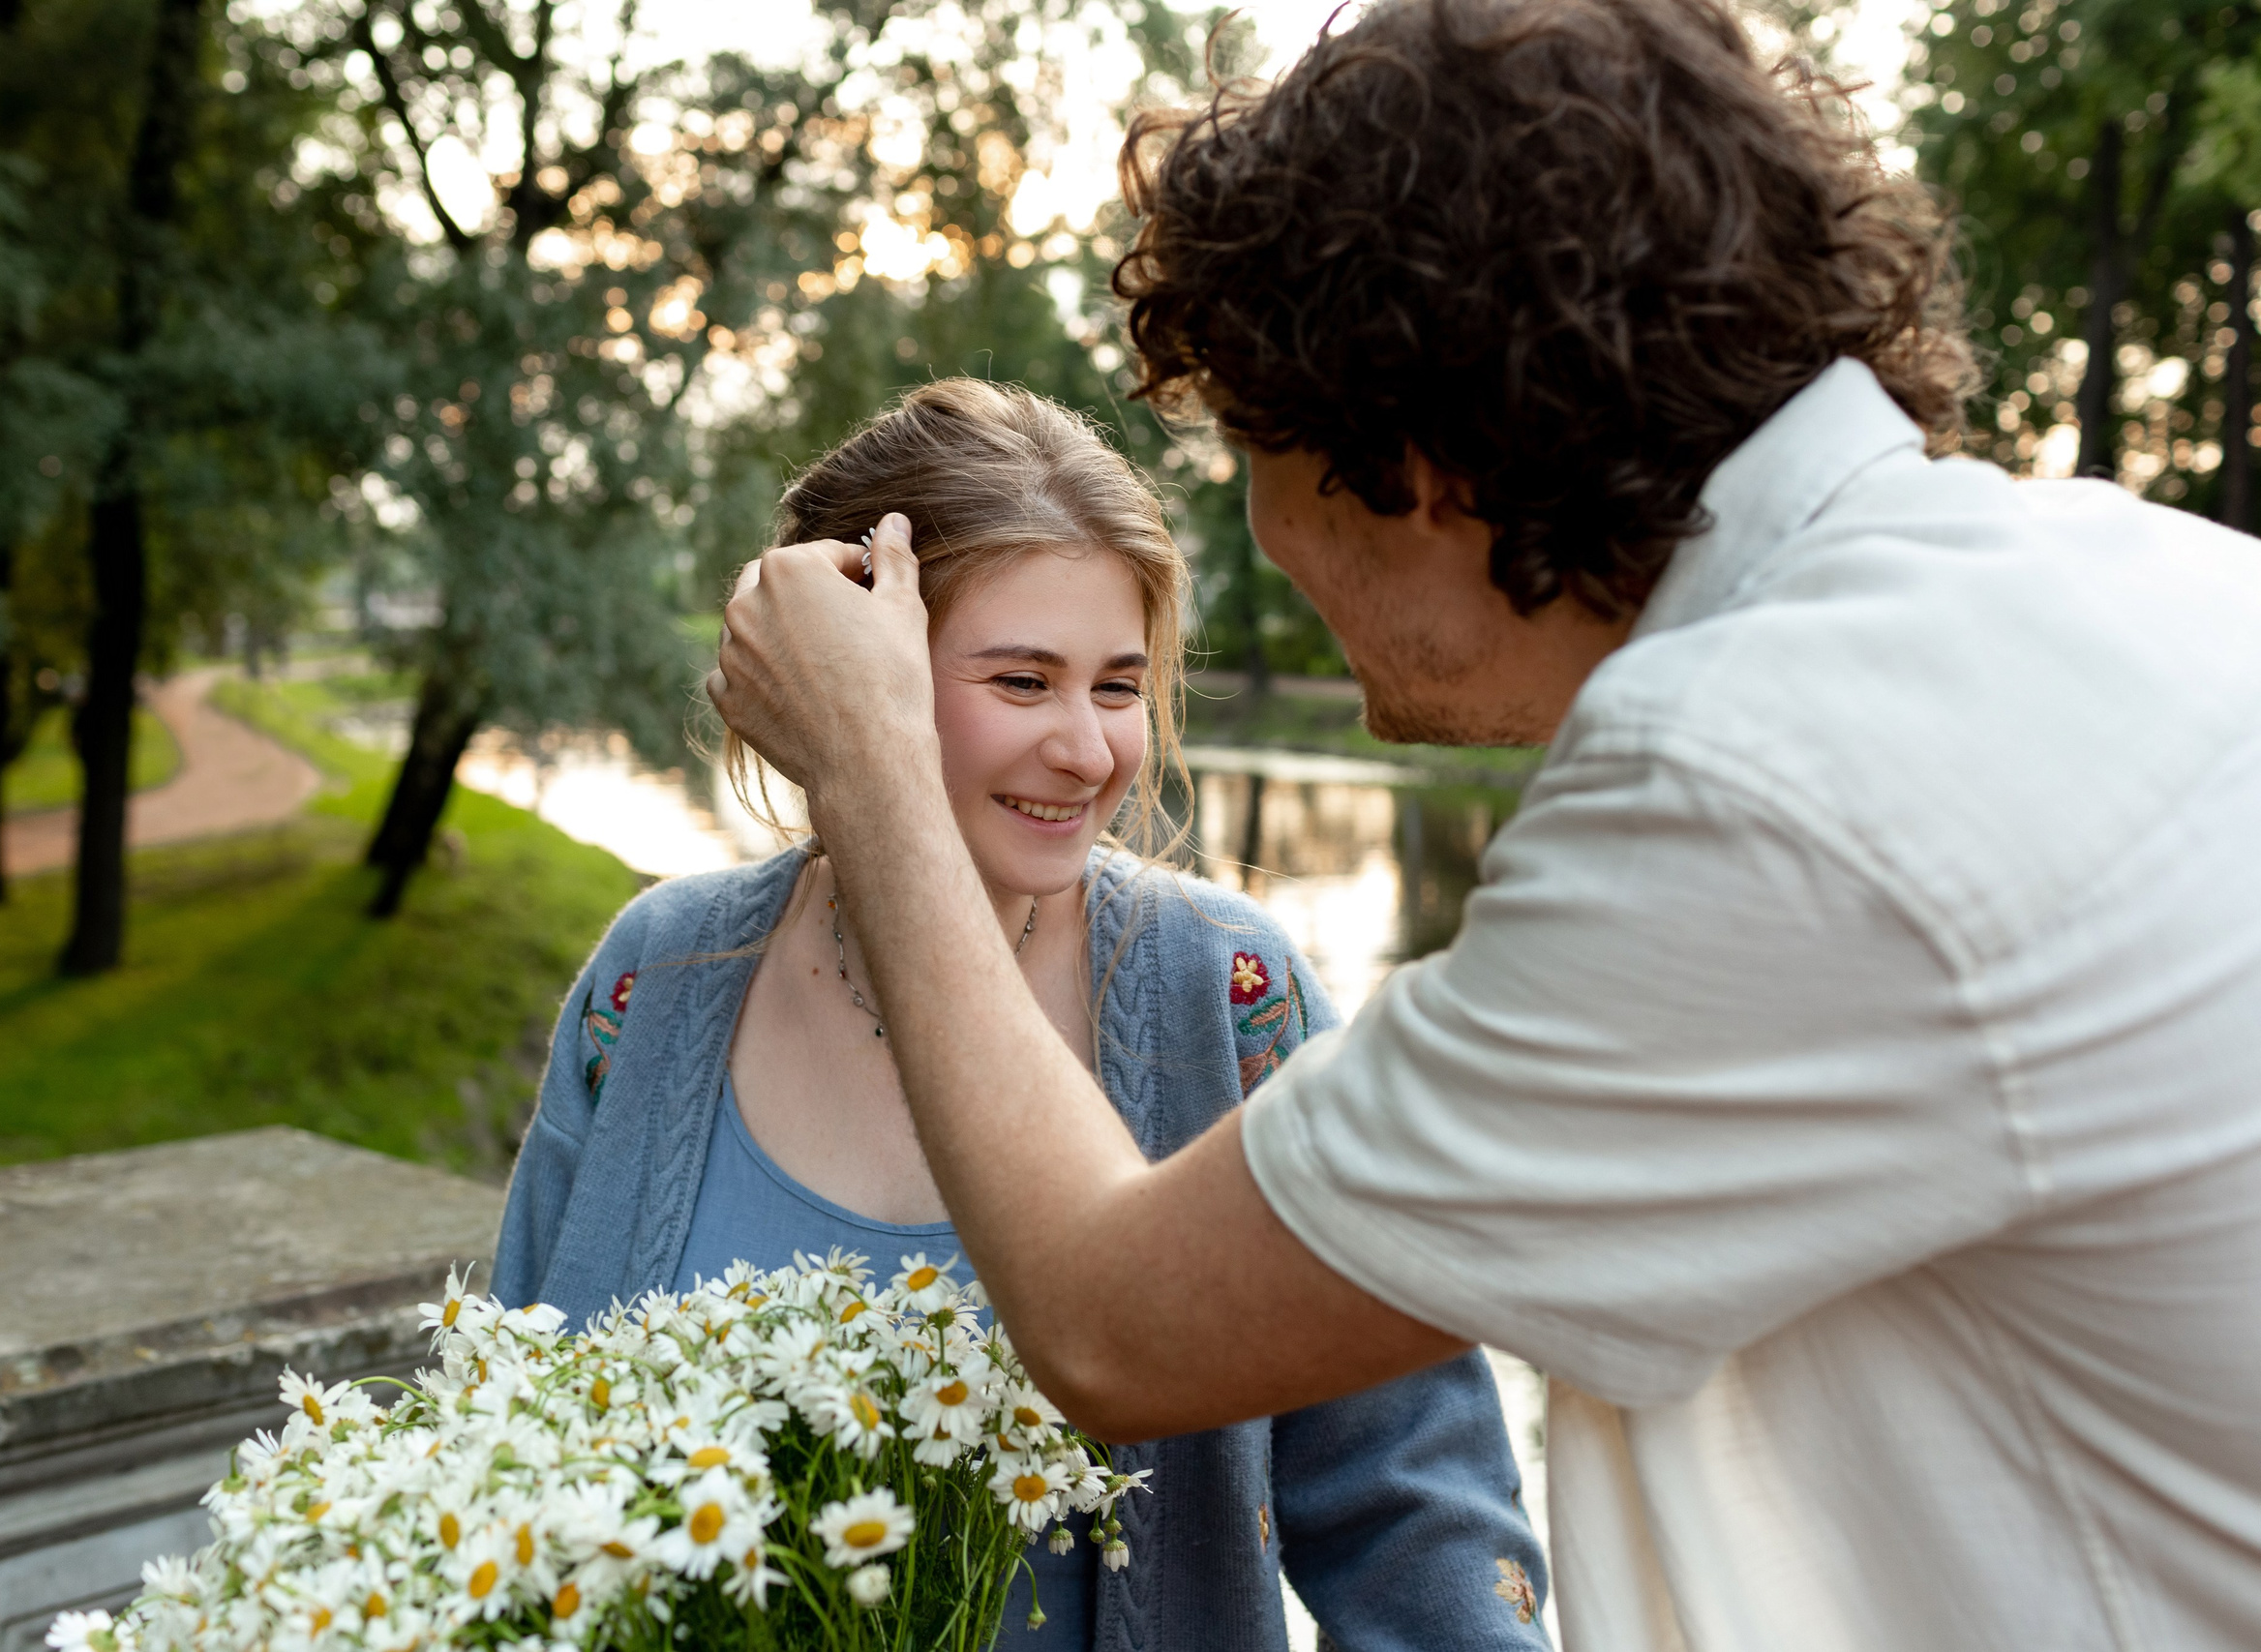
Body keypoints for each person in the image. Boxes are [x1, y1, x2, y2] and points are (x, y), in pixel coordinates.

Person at [706, 3, 2261, 1650]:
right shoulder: (2152, 581)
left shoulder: (1758, 789)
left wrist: (877, 768)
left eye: (1254, 446)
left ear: (1416, 455)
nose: (1260, 536)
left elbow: (1109, 1321)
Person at [496, 378, 1553, 1651]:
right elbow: (511, 1437)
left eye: (1115, 686)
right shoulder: (652, 979)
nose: (1092, 750)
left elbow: (1416, 1511)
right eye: (1020, 680)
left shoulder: (1231, 998)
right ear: (837, 676)